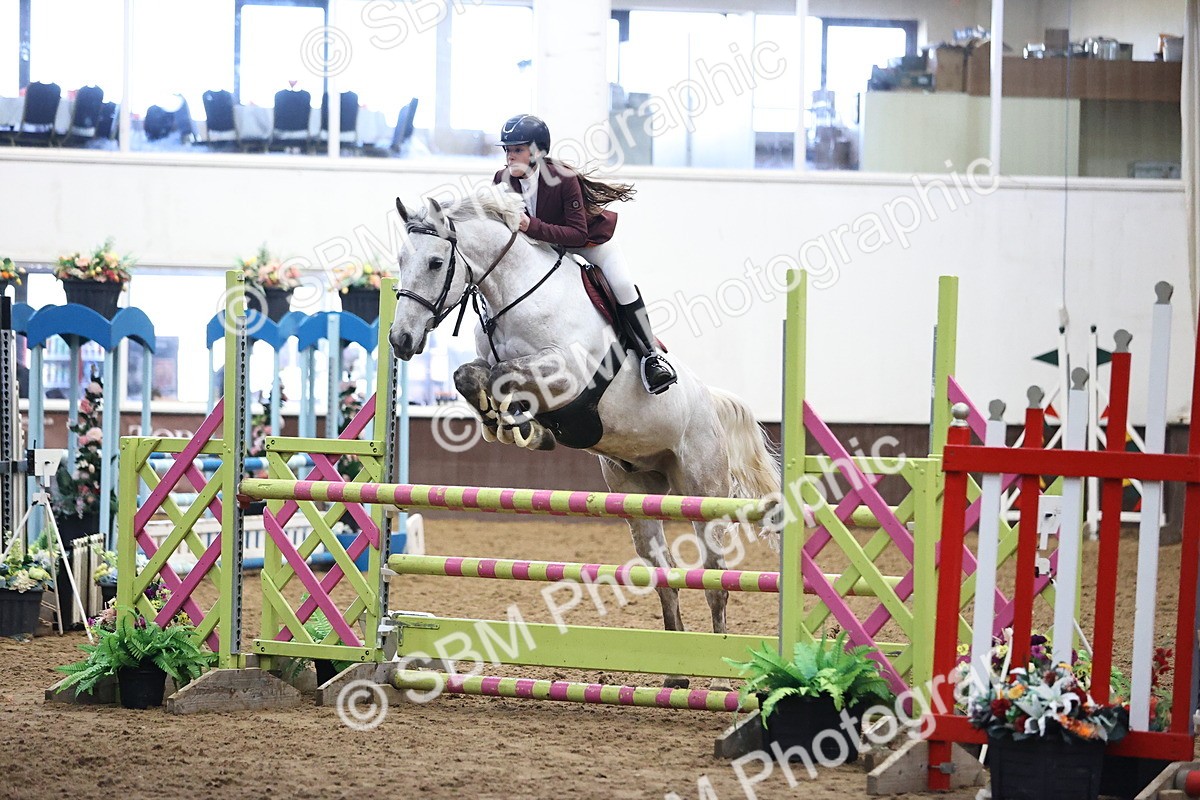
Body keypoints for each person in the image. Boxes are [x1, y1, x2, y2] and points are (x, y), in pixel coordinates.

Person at [492, 113, 677, 395]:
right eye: (507, 150)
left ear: (537, 151)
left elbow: (577, 234)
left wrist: (532, 226)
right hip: (545, 247)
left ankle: (651, 357)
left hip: (589, 242)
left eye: (517, 149)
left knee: (624, 284)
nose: (510, 157)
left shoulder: (563, 179)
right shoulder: (501, 180)